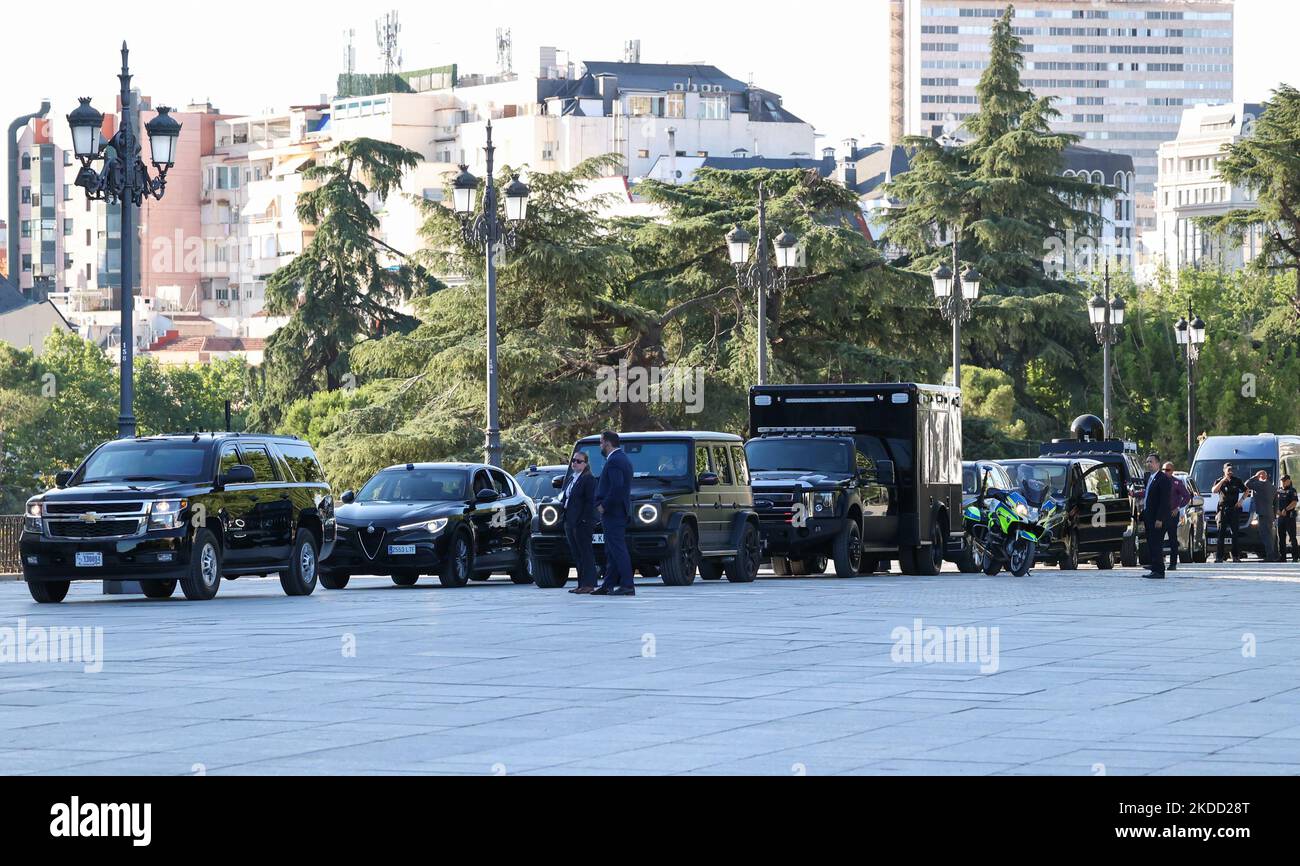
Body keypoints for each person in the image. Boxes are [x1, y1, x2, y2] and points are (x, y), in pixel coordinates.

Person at [592, 431, 635, 596]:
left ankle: (627, 585)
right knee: (611, 549)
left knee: (617, 548)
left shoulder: (615, 461)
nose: (600, 446)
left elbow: (617, 487)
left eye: (601, 442)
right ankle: (608, 584)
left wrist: (604, 505)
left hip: (613, 512)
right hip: (617, 511)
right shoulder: (621, 458)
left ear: (608, 443)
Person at [561, 452, 599, 594]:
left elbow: (591, 502)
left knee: (585, 552)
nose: (575, 463)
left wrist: (585, 519)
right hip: (570, 520)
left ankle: (589, 584)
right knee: (577, 553)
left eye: (579, 461)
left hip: (582, 522)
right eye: (573, 461)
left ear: (585, 464)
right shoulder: (572, 478)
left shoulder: (589, 479)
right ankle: (581, 583)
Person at [1141, 453, 1171, 580]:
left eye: (1151, 462)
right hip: (1149, 517)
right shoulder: (1150, 477)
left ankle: (1159, 571)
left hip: (1157, 519)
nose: (1148, 464)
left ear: (1158, 464)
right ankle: (1154, 568)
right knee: (1152, 544)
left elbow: (1164, 501)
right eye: (1147, 462)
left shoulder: (1162, 478)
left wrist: (1160, 518)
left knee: (1157, 544)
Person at [1212, 463, 1247, 563]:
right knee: (1221, 533)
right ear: (1224, 470)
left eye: (1231, 470)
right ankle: (1219, 557)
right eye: (1228, 470)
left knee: (1235, 534)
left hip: (1234, 509)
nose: (1230, 472)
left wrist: (1241, 501)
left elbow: (1246, 490)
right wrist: (1223, 480)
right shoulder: (1219, 480)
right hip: (1223, 509)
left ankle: (1235, 556)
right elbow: (1214, 490)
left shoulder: (1237, 480)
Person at [1245, 469, 1278, 562]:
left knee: (1265, 535)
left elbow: (1246, 484)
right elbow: (1276, 504)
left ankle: (1270, 556)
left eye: (1258, 476)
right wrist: (1274, 515)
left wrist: (1255, 477)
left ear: (1260, 477)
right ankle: (1273, 555)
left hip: (1262, 514)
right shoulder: (1273, 487)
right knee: (1270, 535)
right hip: (1270, 514)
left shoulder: (1258, 485)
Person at [1163, 462, 1191, 571]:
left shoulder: (1177, 482)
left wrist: (1178, 508)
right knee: (1157, 539)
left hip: (1172, 515)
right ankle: (1157, 563)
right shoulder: (1160, 481)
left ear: (1172, 471)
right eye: (1164, 469)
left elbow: (1187, 497)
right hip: (1161, 514)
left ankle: (1173, 563)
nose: (1165, 472)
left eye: (1168, 470)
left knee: (1172, 539)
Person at [1278, 475, 1298, 563]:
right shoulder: (1278, 490)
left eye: (1285, 480)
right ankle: (1283, 557)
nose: (1283, 482)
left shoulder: (1292, 490)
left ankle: (1295, 557)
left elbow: (1294, 502)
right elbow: (1274, 502)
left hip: (1289, 517)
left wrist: (1286, 509)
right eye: (1282, 480)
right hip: (1281, 517)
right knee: (1281, 538)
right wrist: (1277, 511)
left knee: (1292, 537)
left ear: (1289, 481)